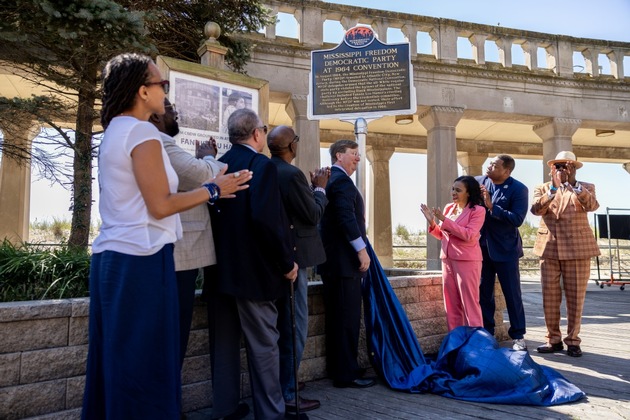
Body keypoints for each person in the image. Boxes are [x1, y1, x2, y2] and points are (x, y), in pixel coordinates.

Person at [82, 53, 229, 419]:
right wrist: (214, 189)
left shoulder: (114, 130)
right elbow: (160, 205)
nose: (166, 90)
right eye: (161, 84)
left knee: (117, 366)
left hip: (112, 260)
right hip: (142, 260)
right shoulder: (142, 132)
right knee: (147, 368)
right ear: (142, 91)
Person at [206, 108, 298, 420]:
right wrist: (287, 263)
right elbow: (266, 220)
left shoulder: (217, 165)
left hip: (219, 272)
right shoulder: (262, 165)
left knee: (224, 347)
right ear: (257, 134)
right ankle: (271, 414)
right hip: (254, 275)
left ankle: (225, 409)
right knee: (264, 347)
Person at [148, 99, 251, 372]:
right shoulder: (159, 142)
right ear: (156, 117)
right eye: (169, 107)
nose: (176, 110)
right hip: (178, 255)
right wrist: (207, 157)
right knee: (174, 335)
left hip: (174, 254)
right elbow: (201, 174)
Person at [268, 125, 329, 415]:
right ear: (292, 147)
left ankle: (286, 382)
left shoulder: (268, 168)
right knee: (296, 327)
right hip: (294, 261)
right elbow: (313, 213)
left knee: (283, 327)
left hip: (276, 259)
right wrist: (319, 188)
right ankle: (289, 393)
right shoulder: (291, 175)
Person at [530, 151, 600, 357]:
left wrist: (574, 185)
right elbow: (535, 210)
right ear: (552, 168)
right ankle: (553, 340)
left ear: (575, 168)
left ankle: (573, 340)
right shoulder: (543, 188)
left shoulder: (585, 187)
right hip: (549, 248)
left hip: (578, 249)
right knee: (549, 298)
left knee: (575, 298)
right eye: (558, 165)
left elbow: (593, 205)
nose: (562, 169)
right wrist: (553, 187)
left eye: (567, 166)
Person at [318, 139, 375, 389]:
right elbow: (345, 218)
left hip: (333, 264)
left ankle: (340, 368)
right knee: (347, 320)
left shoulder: (331, 180)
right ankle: (346, 374)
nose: (358, 158)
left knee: (338, 319)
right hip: (343, 264)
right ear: (339, 156)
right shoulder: (341, 181)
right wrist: (362, 251)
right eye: (354, 153)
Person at [476, 155, 529, 351]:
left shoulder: (519, 189)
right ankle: (486, 334)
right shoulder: (477, 182)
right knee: (484, 294)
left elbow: (517, 219)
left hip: (506, 250)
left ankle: (518, 337)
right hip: (480, 249)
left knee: (512, 294)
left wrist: (492, 207)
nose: (489, 166)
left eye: (494, 165)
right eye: (489, 162)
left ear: (506, 171)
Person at [420, 175, 485, 331]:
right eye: (453, 189)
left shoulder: (478, 211)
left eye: (458, 190)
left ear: (468, 193)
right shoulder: (450, 208)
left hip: (467, 261)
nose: (453, 192)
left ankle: (477, 344)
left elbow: (469, 235)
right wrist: (432, 222)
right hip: (447, 260)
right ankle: (455, 342)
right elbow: (443, 235)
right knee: (451, 304)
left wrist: (444, 220)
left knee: (470, 303)